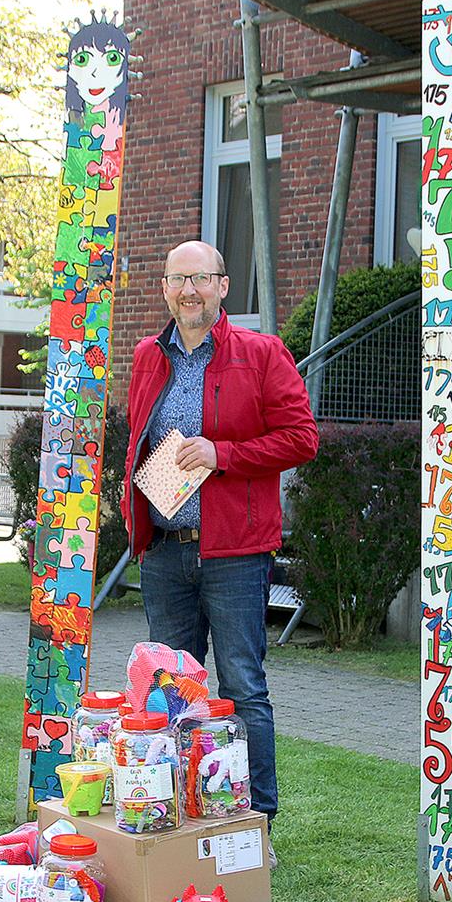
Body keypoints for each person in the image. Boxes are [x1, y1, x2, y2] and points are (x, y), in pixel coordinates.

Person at [122, 240, 318, 824]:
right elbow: (139, 439)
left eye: (200, 279)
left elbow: (301, 437)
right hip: (163, 552)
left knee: (242, 689)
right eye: (177, 280)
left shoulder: (261, 353)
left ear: (224, 286)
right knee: (172, 693)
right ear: (164, 289)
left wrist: (221, 452)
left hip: (234, 552)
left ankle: (255, 822)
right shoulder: (146, 357)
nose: (188, 291)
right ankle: (184, 813)